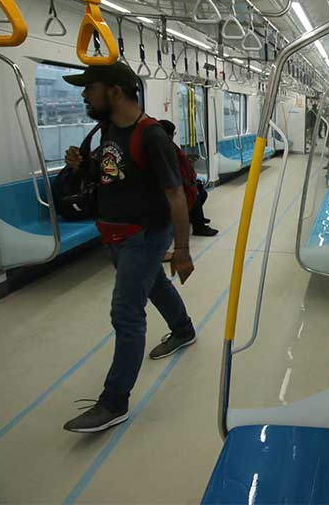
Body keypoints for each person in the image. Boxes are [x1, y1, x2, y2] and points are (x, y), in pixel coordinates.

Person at [61, 62, 196, 433]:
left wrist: (182, 250)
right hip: (117, 234)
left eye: (90, 88)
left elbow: (176, 197)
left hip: (145, 234)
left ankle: (113, 402)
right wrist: (83, 166)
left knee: (126, 313)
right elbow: (111, 176)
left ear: (115, 92)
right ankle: (184, 330)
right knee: (154, 284)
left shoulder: (151, 136)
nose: (84, 95)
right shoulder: (107, 131)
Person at [159, 120, 218, 237]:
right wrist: (189, 184)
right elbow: (173, 171)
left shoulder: (170, 146)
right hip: (175, 186)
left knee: (202, 193)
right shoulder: (164, 148)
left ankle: (194, 217)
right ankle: (199, 227)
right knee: (194, 195)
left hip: (182, 182)